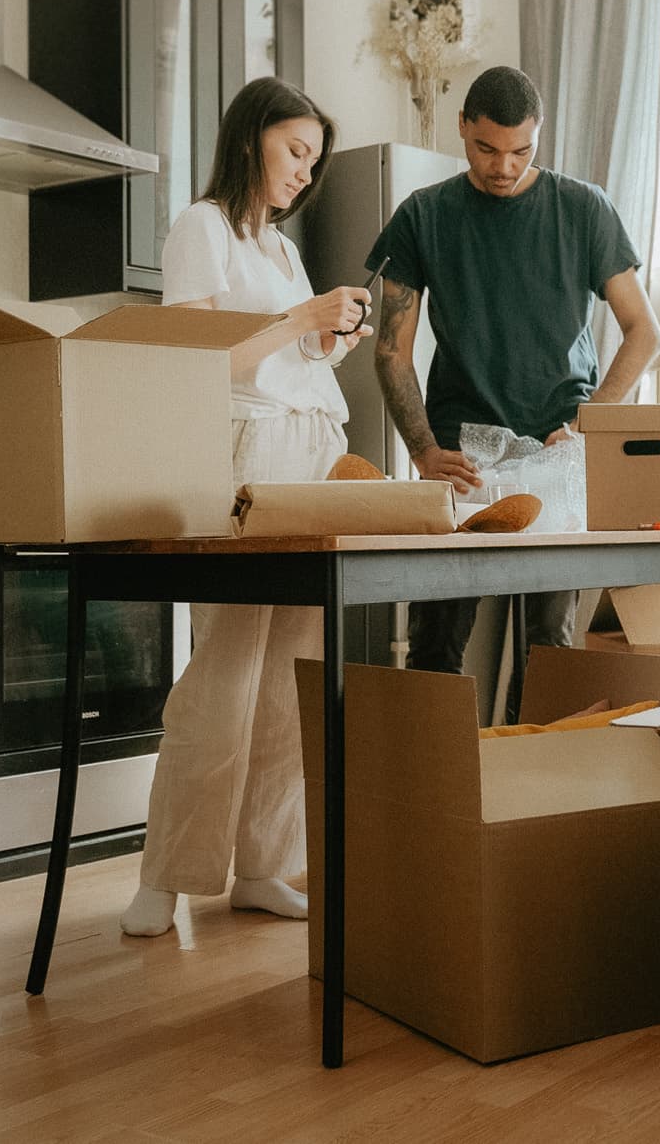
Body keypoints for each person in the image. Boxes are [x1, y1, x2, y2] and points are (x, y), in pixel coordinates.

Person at [121, 77, 372, 938]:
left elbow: (286, 357)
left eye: (314, 162)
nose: (306, 173)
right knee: (224, 671)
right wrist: (303, 317)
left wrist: (326, 340)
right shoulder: (203, 226)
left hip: (313, 451)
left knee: (291, 671)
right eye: (296, 151)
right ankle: (165, 875)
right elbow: (195, 360)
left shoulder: (283, 250)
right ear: (253, 135)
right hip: (248, 456)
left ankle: (263, 863)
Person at [368, 65, 660, 676]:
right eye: (486, 149)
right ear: (462, 128)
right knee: (435, 646)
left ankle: (539, 772)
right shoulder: (423, 215)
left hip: (556, 450)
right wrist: (421, 449)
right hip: (459, 458)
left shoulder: (584, 208)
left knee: (549, 645)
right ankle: (431, 772)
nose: (503, 166)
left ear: (539, 136)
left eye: (521, 150)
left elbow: (645, 331)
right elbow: (391, 350)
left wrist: (592, 423)